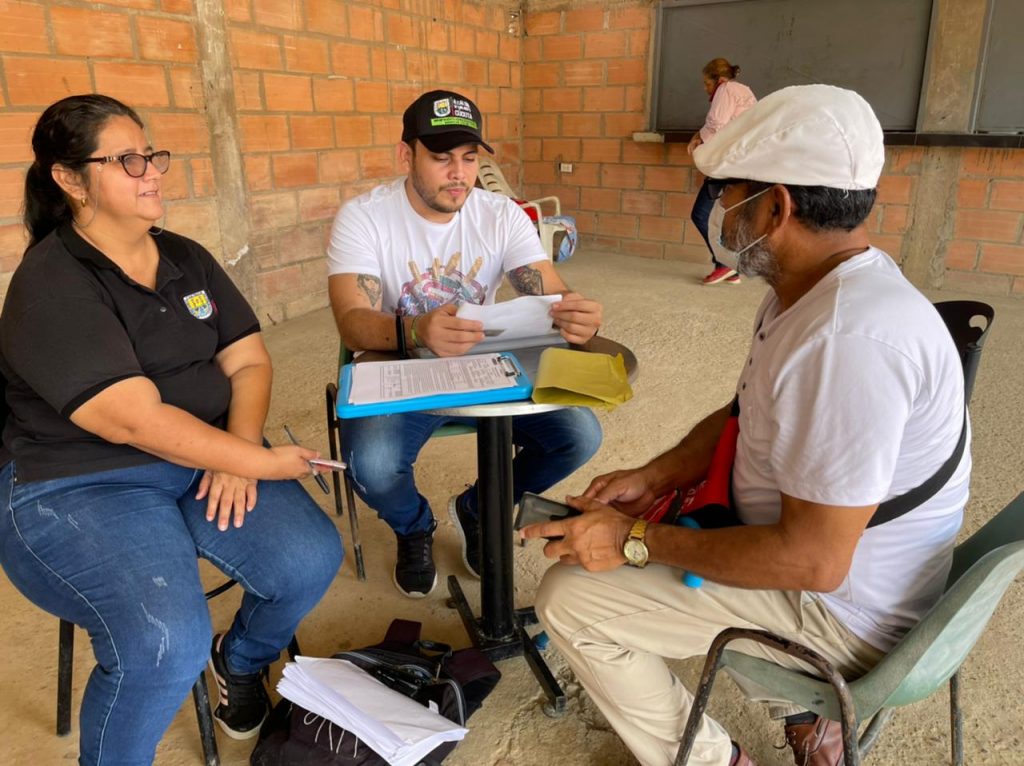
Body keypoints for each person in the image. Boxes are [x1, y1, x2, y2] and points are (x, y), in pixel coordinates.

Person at [526, 85, 970, 766]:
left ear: (777, 206)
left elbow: (812, 562)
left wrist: (635, 541)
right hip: (840, 574)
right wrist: (655, 476)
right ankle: (801, 716)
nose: (721, 209)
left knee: (569, 599)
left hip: (845, 617)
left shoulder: (847, 341)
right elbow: (747, 412)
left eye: (730, 190)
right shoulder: (817, 288)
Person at [0, 94, 343, 765]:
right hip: (79, 483)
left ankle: (239, 660)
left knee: (308, 559)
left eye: (152, 155)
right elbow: (131, 418)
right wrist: (263, 461)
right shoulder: (52, 282)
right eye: (127, 160)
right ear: (71, 180)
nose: (152, 171)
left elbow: (249, 359)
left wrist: (238, 450)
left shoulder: (185, 256)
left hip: (202, 452)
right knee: (162, 645)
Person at [327, 90, 603, 598]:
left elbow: (548, 289)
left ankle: (478, 508)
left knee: (579, 435)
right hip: (399, 369)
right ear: (406, 155)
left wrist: (573, 312)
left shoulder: (501, 215)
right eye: (441, 157)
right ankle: (414, 527)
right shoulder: (364, 217)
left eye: (470, 158)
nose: (458, 173)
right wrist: (415, 330)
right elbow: (352, 323)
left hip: (483, 369)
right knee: (372, 466)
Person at [687, 57, 757, 285]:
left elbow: (717, 124)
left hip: (728, 165)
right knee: (723, 216)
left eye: (707, 83)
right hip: (743, 164)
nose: (706, 89)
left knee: (701, 214)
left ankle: (725, 263)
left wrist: (699, 139)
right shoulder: (745, 91)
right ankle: (730, 267)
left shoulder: (725, 89)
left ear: (718, 80)